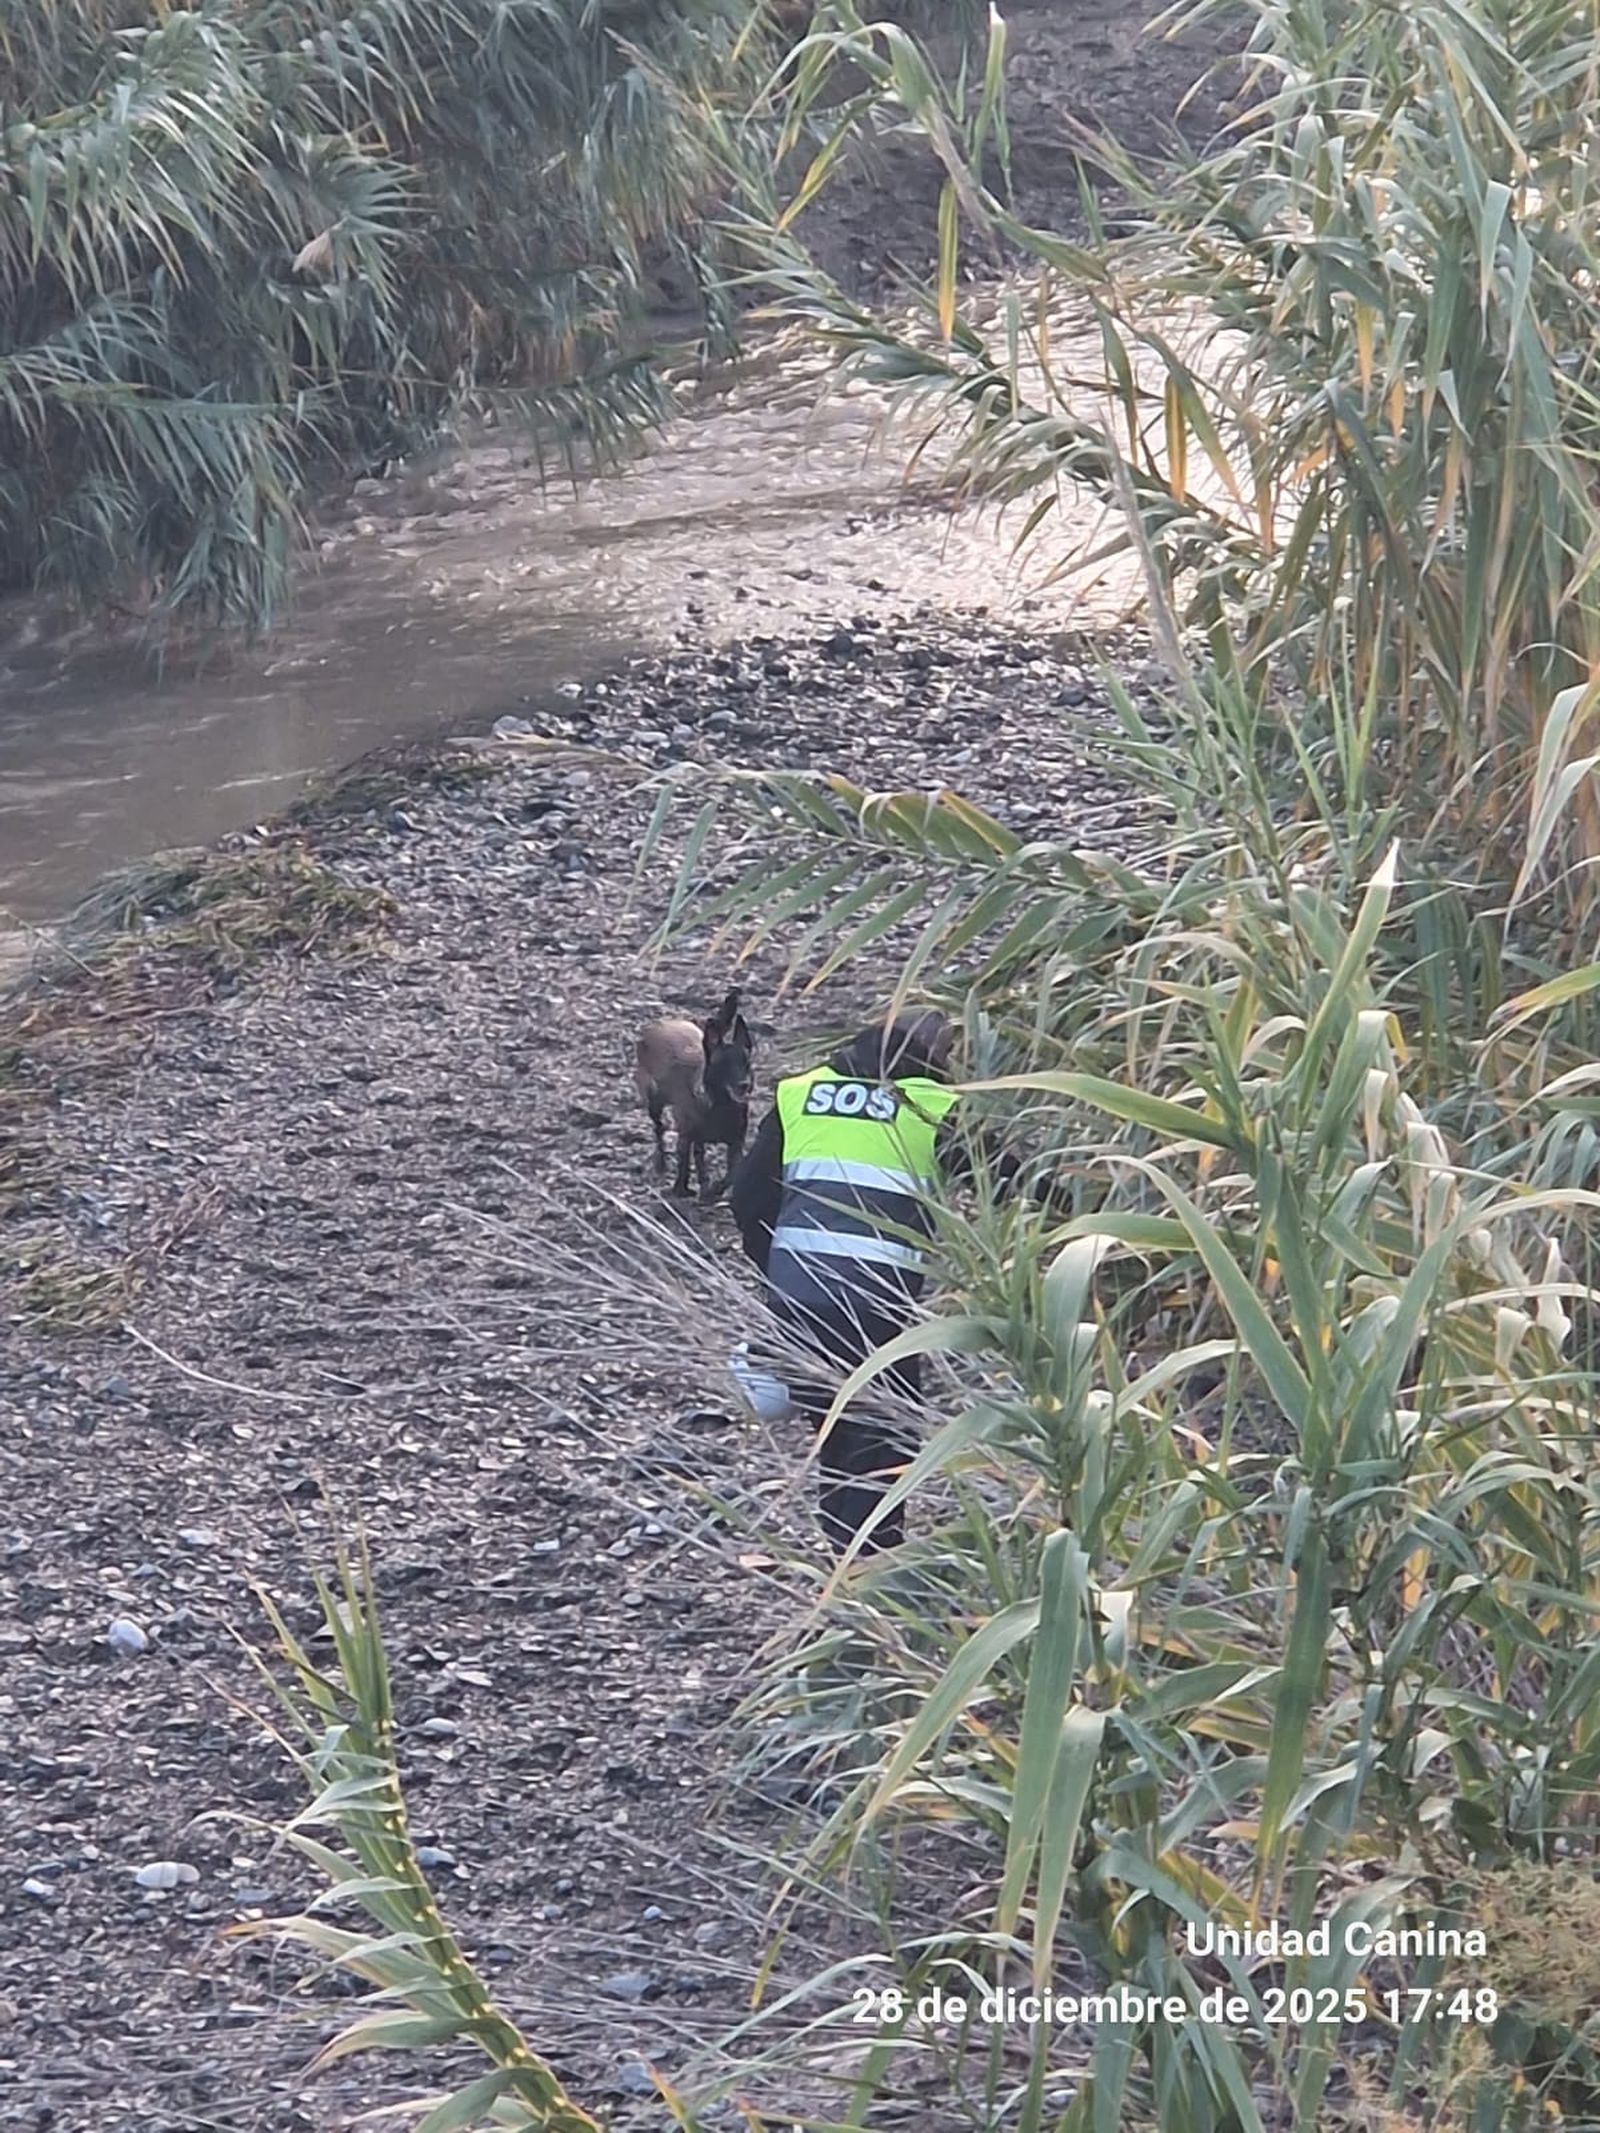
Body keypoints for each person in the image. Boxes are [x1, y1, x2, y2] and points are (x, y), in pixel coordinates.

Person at [728, 1007, 1020, 1556]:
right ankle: (867, 1579)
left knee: (837, 1434)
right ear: (932, 1062)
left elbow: (746, 1199)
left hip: (799, 1301)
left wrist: (779, 1277)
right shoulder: (931, 1109)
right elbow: (1015, 1182)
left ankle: (845, 1569)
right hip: (878, 1308)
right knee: (884, 1441)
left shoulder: (801, 1095)